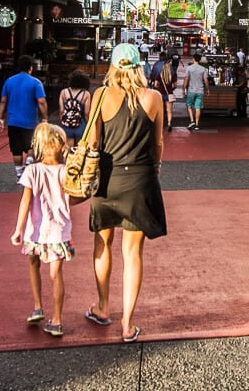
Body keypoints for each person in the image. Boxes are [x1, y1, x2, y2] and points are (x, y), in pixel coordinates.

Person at [84, 43, 166, 343]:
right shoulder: (154, 98)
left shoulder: (101, 95)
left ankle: (103, 307)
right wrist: (155, 168)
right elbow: (158, 143)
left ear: (114, 66)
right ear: (138, 66)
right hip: (140, 180)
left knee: (102, 244)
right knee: (133, 253)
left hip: (107, 180)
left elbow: (94, 141)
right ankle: (127, 324)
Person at [10, 123, 74, 338]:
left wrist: (18, 229)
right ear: (61, 146)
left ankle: (38, 306)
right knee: (56, 274)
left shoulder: (32, 170)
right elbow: (73, 197)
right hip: (58, 229)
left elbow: (25, 202)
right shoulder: (66, 171)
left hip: (35, 230)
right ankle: (56, 319)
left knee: (33, 263)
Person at [0, 55, 48, 181]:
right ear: (31, 68)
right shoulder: (36, 83)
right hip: (30, 121)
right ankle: (29, 163)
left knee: (16, 150)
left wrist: (0, 118)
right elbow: (41, 101)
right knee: (32, 147)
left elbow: (3, 101)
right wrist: (45, 118)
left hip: (13, 121)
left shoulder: (9, 81)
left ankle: (19, 174)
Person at [58, 70, 91, 149]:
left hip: (67, 126)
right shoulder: (86, 94)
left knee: (68, 152)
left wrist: (63, 122)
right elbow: (86, 113)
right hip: (80, 125)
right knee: (80, 152)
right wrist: (89, 125)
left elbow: (61, 111)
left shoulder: (63, 92)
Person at [149, 52, 177, 131]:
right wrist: (171, 89)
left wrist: (158, 87)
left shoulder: (159, 73)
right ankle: (169, 123)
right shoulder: (172, 73)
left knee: (160, 110)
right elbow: (175, 85)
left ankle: (159, 124)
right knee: (169, 111)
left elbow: (155, 84)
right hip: (169, 94)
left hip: (160, 93)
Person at [183, 53, 210, 130]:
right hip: (200, 90)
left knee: (189, 106)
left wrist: (183, 88)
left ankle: (192, 121)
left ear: (193, 59)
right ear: (200, 59)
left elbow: (186, 79)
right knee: (197, 107)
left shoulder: (189, 68)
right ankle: (197, 124)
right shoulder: (203, 69)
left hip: (191, 90)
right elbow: (206, 80)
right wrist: (207, 89)